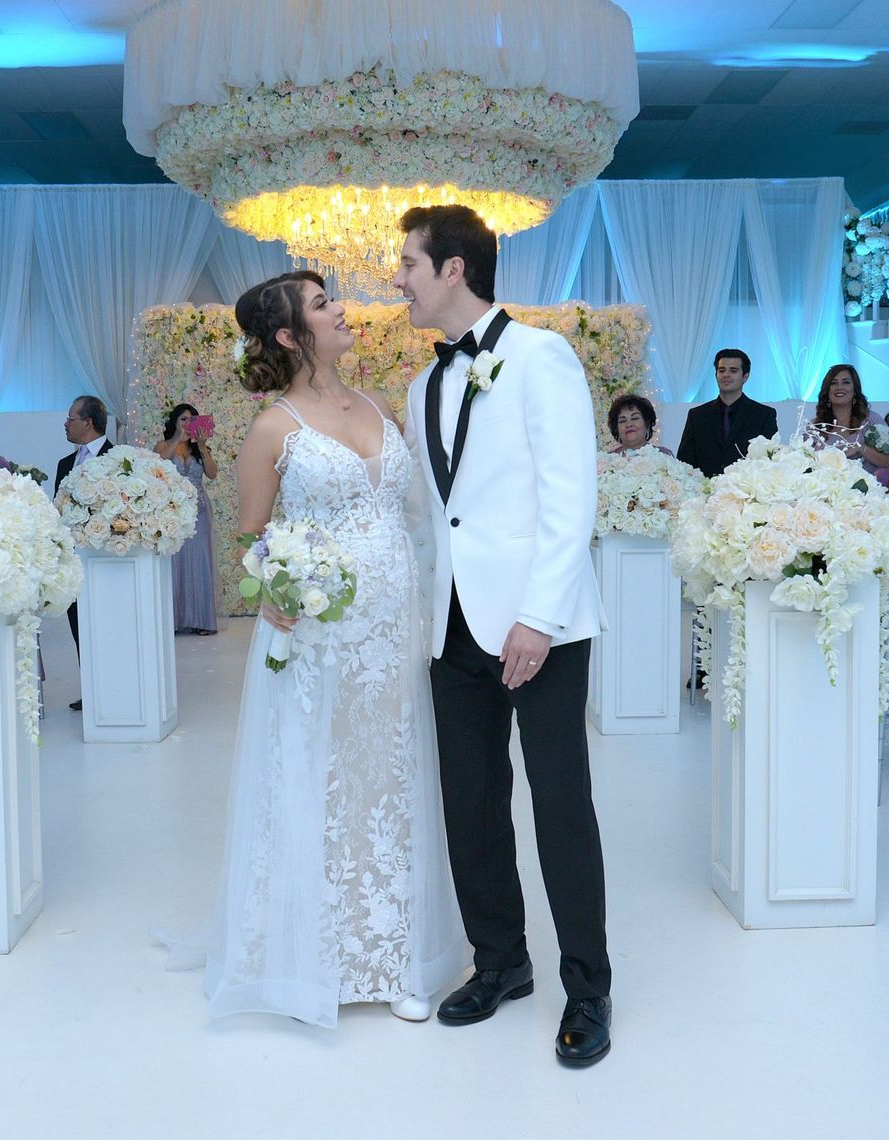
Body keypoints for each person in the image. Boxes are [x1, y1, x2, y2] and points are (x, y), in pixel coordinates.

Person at [162, 270, 463, 1029]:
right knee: (320, 777)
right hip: (321, 635)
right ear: (291, 336)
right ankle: (313, 953)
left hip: (394, 631)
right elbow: (250, 536)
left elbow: (415, 513)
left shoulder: (377, 405)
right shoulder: (273, 428)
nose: (344, 312)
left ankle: (394, 953)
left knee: (391, 775)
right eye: (325, 306)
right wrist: (272, 589)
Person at [397, 204, 612, 1067]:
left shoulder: (539, 355)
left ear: (454, 269)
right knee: (472, 802)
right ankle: (501, 963)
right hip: (453, 625)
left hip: (541, 624)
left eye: (409, 262)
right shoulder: (422, 385)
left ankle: (588, 991)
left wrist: (538, 617)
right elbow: (434, 518)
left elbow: (571, 494)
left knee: (561, 806)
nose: (399, 278)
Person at [56, 395, 111, 712]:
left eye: (71, 418)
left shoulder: (118, 458)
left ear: (88, 422)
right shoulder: (65, 463)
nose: (66, 424)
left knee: (106, 626)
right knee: (79, 624)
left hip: (105, 561)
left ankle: (111, 687)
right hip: (74, 562)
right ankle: (90, 687)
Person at [155, 402, 218, 635]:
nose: (187, 424)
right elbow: (157, 466)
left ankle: (201, 619)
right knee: (174, 564)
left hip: (198, 513)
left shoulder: (199, 450)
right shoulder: (163, 445)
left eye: (191, 420)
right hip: (171, 514)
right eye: (183, 419)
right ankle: (173, 620)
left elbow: (212, 474)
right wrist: (176, 440)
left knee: (199, 562)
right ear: (174, 421)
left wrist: (202, 447)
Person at [675, 348, 776, 478]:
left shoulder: (764, 415)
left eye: (733, 371)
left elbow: (769, 461)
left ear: (745, 376)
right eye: (721, 370)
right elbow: (684, 462)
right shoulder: (697, 415)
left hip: (746, 491)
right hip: (704, 491)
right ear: (716, 374)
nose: (726, 375)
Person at [606, 394, 671, 455]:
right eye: (622, 421)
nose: (629, 424)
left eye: (635, 418)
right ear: (616, 428)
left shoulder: (663, 455)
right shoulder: (608, 460)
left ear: (647, 423)